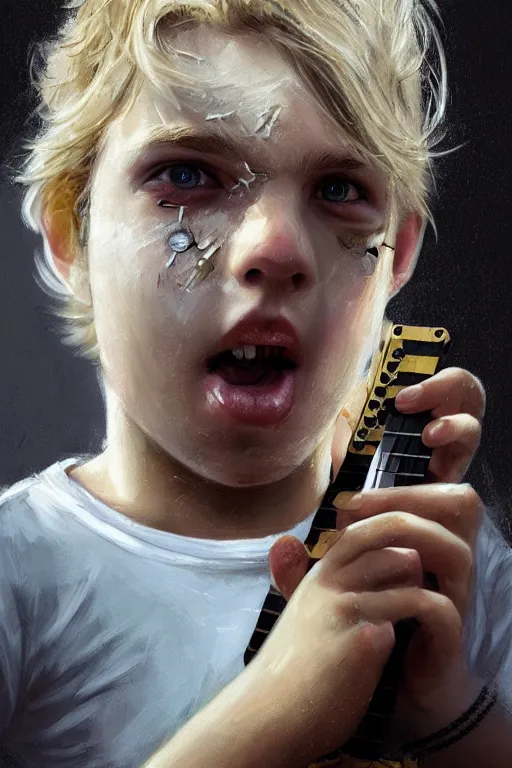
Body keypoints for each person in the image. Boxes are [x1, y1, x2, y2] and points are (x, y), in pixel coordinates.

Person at [1, 0, 510, 766]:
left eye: (339, 189)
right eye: (186, 175)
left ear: (397, 253)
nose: (275, 248)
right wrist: (270, 715)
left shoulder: (453, 562)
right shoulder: (18, 572)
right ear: (71, 230)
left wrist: (445, 707)